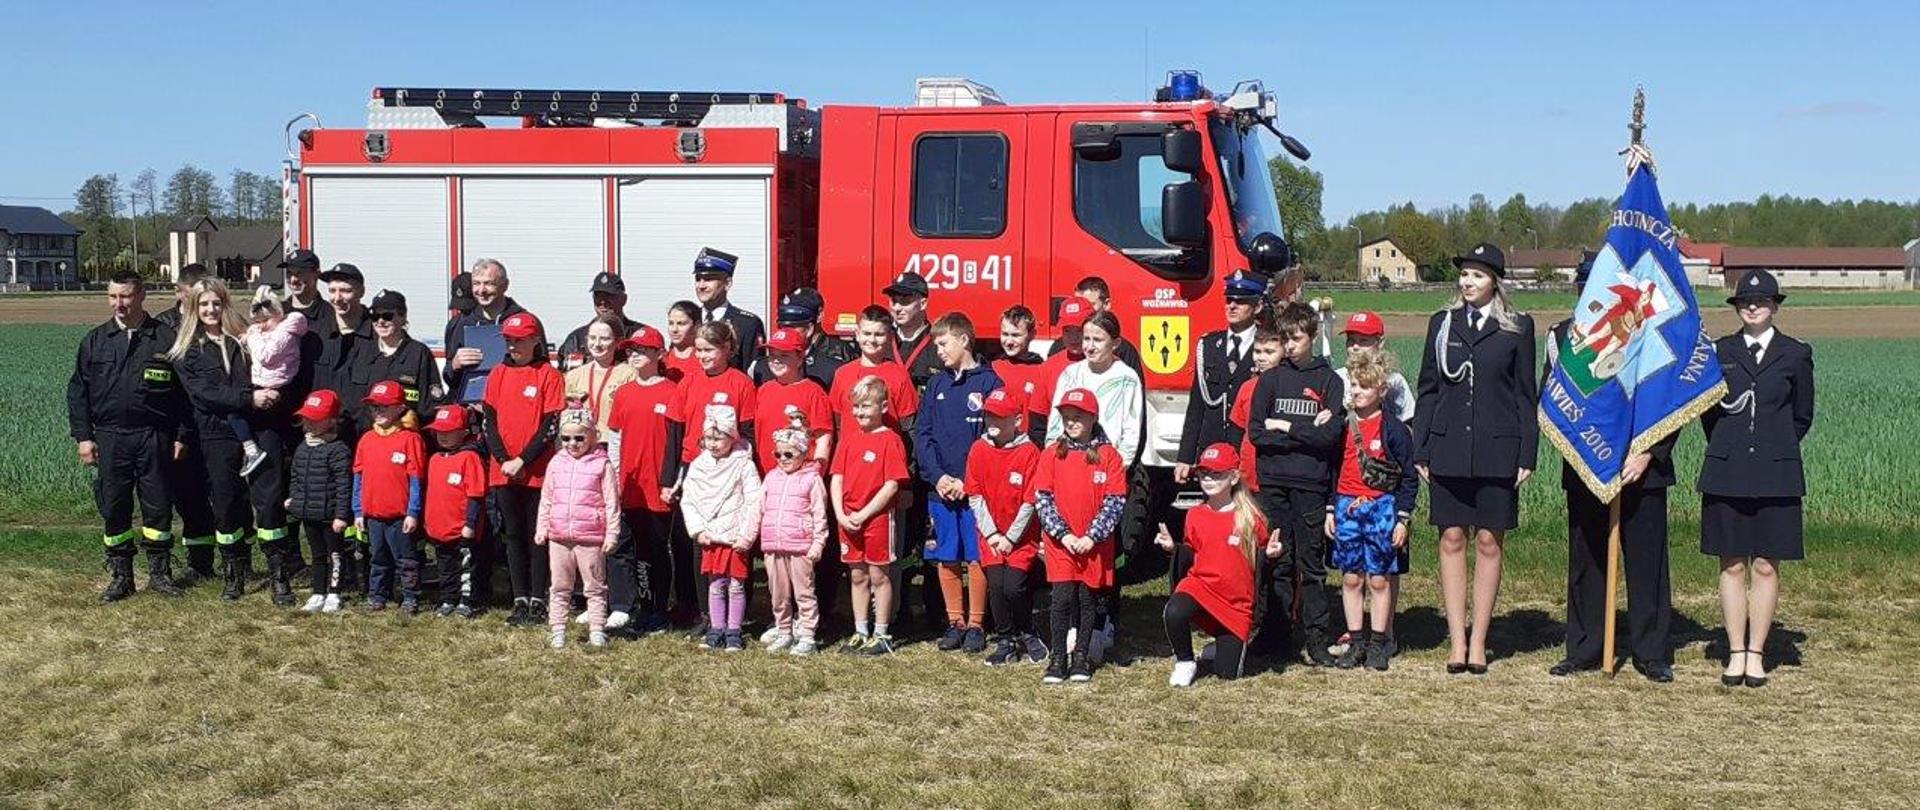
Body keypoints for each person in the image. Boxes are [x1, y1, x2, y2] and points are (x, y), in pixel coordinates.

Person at [1412, 242, 1538, 675]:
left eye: (1478, 275)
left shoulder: (1517, 327)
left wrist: (1528, 451)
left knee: (1488, 541)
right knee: (1450, 538)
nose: (1468, 282)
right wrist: (1421, 446)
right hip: (1447, 448)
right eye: (1465, 274)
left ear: (1495, 282)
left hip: (1497, 449)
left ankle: (1480, 641)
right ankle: (1457, 640)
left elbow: (1525, 395)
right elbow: (1428, 388)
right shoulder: (1441, 324)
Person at [1700, 269, 1814, 689]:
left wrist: (1769, 446)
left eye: (1762, 301)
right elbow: (1710, 414)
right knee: (1731, 563)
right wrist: (1734, 446)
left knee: (1766, 566)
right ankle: (1734, 651)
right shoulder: (1721, 351)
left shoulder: (1796, 354)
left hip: (1777, 473)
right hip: (1726, 470)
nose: (1752, 307)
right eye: (1745, 302)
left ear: (1775, 307)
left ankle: (1756, 653)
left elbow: (1801, 416)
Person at [67, 269, 187, 601]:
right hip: (110, 437)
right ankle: (121, 576)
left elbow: (184, 397)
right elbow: (78, 393)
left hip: (154, 436)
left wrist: (181, 435)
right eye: (113, 296)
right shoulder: (95, 340)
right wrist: (83, 437)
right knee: (115, 507)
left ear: (141, 296)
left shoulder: (165, 338)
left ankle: (161, 574)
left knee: (158, 507)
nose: (119, 304)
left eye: (126, 296)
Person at [1247, 302, 1345, 667]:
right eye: (1285, 338)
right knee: (1278, 561)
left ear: (1312, 336)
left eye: (1296, 338)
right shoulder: (1270, 380)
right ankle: (1275, 632)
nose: (1289, 346)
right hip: (1274, 482)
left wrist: (1286, 427)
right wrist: (1308, 433)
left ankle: (1317, 638)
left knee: (1311, 564)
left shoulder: (1329, 382)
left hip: (1311, 484)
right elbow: (1257, 433)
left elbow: (1329, 439)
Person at [170, 277, 280, 601]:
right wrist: (250, 400)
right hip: (215, 435)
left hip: (255, 429)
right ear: (194, 308)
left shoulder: (240, 341)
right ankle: (233, 574)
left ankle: (275, 572)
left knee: (264, 501)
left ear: (224, 304)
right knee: (226, 504)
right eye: (204, 304)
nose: (210, 309)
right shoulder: (188, 351)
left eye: (216, 303)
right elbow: (206, 395)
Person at [1045, 310, 1144, 663]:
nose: (1089, 346)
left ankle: (1103, 624)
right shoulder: (1071, 373)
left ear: (1114, 343)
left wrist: (1116, 468)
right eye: (1085, 338)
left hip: (1106, 476)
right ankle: (1070, 627)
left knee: (1101, 553)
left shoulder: (1127, 377)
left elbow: (1132, 430)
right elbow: (1056, 429)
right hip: (1068, 474)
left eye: (1097, 340)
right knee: (1068, 553)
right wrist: (1052, 466)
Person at [1331, 310, 1416, 660]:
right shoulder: (1336, 380)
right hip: (1346, 500)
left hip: (1382, 500)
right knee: (1351, 575)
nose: (1355, 347)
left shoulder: (1394, 384)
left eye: (1363, 340)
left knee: (1381, 574)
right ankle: (1356, 636)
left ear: (1379, 342)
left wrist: (1402, 513)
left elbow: (1405, 448)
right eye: (1351, 340)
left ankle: (1383, 635)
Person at [1155, 443, 1276, 686]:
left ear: (1233, 477)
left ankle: (1221, 644)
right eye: (1203, 473)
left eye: (1216, 473)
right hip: (1201, 587)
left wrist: (1271, 555)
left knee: (1227, 674)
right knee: (1175, 610)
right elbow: (1191, 554)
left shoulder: (1251, 517)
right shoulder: (1195, 514)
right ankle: (1185, 660)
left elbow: (1263, 562)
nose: (1208, 479)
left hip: (1236, 603)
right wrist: (1173, 549)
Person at [915, 313, 1001, 653]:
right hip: (941, 490)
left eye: (942, 343)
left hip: (975, 491)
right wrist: (938, 478)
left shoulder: (989, 383)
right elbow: (924, 435)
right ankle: (955, 622)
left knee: (977, 555)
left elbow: (993, 437)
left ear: (964, 340)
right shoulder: (937, 385)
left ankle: (977, 623)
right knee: (946, 555)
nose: (938, 351)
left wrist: (969, 482)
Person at [1032, 388, 1128, 684]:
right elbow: (1043, 498)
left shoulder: (1109, 456)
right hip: (1062, 543)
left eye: (1078, 417)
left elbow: (1115, 501)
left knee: (1088, 600)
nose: (1072, 422)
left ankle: (1081, 655)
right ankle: (1058, 657)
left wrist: (1092, 536)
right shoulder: (1051, 455)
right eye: (1067, 417)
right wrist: (1063, 535)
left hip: (1093, 545)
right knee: (1061, 599)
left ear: (1093, 418)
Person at [481, 311, 566, 626]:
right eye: (509, 340)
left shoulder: (548, 374)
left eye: (519, 340)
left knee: (537, 535)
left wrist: (523, 460)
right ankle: (519, 598)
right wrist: (504, 459)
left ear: (535, 340)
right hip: (502, 471)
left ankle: (538, 599)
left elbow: (550, 424)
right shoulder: (498, 374)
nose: (513, 346)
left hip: (537, 471)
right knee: (513, 534)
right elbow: (488, 421)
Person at [604, 327, 679, 633]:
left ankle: (658, 608)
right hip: (630, 485)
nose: (634, 354)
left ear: (659, 354)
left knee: (657, 549)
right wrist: (615, 478)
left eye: (642, 349)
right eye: (631, 349)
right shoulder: (623, 393)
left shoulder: (672, 391)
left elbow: (678, 441)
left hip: (659, 486)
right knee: (632, 547)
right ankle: (637, 606)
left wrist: (674, 481)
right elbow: (616, 439)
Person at [965, 388, 1047, 666]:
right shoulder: (978, 449)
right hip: (991, 535)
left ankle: (1027, 631)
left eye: (1000, 418)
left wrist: (1010, 537)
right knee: (997, 586)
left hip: (1020, 537)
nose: (993, 424)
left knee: (1014, 587)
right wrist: (992, 534)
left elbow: (1030, 500)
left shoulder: (1028, 452)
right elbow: (974, 495)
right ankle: (1005, 639)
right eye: (989, 417)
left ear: (1017, 421)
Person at [830, 376, 910, 656]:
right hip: (849, 519)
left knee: (879, 575)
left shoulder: (891, 440)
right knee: (857, 575)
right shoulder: (849, 440)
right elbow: (836, 479)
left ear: (883, 407)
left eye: (866, 407)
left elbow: (891, 485)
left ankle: (882, 632)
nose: (860, 413)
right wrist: (840, 513)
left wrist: (864, 513)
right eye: (856, 407)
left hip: (876, 519)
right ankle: (860, 630)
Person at [535, 409, 621, 649]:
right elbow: (547, 497)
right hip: (559, 535)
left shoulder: (602, 464)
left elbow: (612, 502)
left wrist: (612, 533)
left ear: (592, 436)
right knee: (559, 586)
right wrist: (542, 527)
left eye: (579, 438)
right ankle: (558, 629)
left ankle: (596, 629)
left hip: (591, 536)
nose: (572, 444)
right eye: (566, 438)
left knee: (594, 587)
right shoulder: (556, 462)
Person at [155, 263, 219, 578]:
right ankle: (200, 563)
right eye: (192, 295)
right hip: (180, 425)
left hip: (214, 423)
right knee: (188, 496)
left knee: (226, 495)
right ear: (179, 292)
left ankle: (240, 561)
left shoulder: (217, 321)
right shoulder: (163, 327)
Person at [682, 404, 763, 652]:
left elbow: (754, 501)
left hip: (735, 535)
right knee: (715, 584)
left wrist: (746, 536)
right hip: (711, 535)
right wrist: (698, 530)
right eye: (708, 438)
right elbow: (689, 499)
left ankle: (734, 630)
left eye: (719, 438)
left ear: (732, 437)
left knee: (736, 584)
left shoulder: (744, 465)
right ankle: (716, 627)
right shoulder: (698, 466)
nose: (714, 444)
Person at [1176, 272, 1268, 485]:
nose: (1232, 306)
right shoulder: (1208, 345)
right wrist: (1185, 456)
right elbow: (1197, 406)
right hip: (1212, 451)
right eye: (1229, 300)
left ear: (1258, 306)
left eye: (1241, 301)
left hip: (1250, 454)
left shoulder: (1268, 348)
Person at [353, 380, 427, 613]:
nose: (379, 412)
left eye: (384, 406)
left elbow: (416, 479)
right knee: (378, 558)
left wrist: (413, 512)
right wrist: (358, 510)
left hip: (399, 515)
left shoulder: (410, 439)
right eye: (375, 407)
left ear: (399, 408)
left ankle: (410, 597)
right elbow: (359, 477)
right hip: (374, 514)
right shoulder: (366, 440)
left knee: (406, 559)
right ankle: (377, 596)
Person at [758, 426, 829, 655]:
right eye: (778, 454)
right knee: (778, 592)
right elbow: (758, 509)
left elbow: (820, 513)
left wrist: (818, 543)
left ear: (802, 453)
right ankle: (784, 630)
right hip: (773, 545)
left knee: (804, 592)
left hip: (800, 546)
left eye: (788, 454)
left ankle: (807, 635)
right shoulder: (771, 477)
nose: (782, 459)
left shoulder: (812, 479)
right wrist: (750, 536)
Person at [286, 389, 353, 612]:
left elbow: (344, 485)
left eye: (316, 419)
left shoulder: (339, 450)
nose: (309, 423)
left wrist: (341, 515)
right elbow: (296, 477)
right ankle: (317, 592)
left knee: (335, 554)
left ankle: (334, 593)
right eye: (307, 418)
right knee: (317, 555)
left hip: (331, 515)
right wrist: (294, 500)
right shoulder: (302, 448)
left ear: (332, 421)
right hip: (309, 512)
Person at [233, 286, 309, 476]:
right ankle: (251, 450)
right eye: (258, 322)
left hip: (277, 385)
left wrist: (252, 336)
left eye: (266, 320)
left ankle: (252, 450)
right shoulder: (266, 331)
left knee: (238, 413)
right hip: (263, 383)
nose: (262, 325)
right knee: (235, 411)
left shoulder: (285, 332)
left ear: (278, 313)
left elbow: (266, 355)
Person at [423, 404, 488, 618]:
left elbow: (476, 495)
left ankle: (468, 601)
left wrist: (470, 524)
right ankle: (447, 599)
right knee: (445, 567)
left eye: (449, 432)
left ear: (463, 432)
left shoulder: (470, 458)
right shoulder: (434, 460)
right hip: (439, 528)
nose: (443, 437)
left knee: (466, 568)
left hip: (462, 529)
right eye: (439, 432)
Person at [345, 289, 440, 431]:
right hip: (365, 439)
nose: (380, 321)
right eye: (375, 316)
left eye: (387, 316)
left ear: (403, 317)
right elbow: (351, 401)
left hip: (403, 441)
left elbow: (429, 407)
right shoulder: (360, 351)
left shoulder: (418, 353)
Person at [444, 258, 535, 399]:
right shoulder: (462, 324)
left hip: (514, 403)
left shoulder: (525, 321)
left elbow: (542, 372)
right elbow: (450, 379)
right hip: (474, 410)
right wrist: (454, 365)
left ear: (505, 285)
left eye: (489, 284)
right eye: (476, 284)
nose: (481, 290)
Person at [753, 328, 834, 473]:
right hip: (766, 477)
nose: (776, 360)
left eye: (784, 355)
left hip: (799, 480)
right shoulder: (763, 390)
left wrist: (814, 475)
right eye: (772, 355)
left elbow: (824, 440)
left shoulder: (814, 393)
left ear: (800, 358)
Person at [752, 287, 854, 388]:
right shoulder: (762, 367)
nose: (788, 332)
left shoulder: (839, 359)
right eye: (783, 327)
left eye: (794, 326)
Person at [1044, 277, 1145, 375]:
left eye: (1090, 305)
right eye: (1079, 303)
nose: (1084, 310)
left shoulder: (1123, 350)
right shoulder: (1060, 347)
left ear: (1106, 304)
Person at [557, 271, 648, 371]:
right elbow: (564, 377)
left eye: (609, 296)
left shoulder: (642, 336)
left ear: (624, 299)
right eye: (598, 295)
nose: (602, 301)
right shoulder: (576, 339)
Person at [690, 248, 764, 371]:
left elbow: (752, 371)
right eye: (698, 278)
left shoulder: (747, 323)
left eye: (709, 279)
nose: (701, 285)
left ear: (727, 283)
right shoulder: (689, 319)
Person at [989, 304, 1052, 448]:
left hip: (1027, 447)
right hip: (995, 447)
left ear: (1032, 335)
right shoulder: (992, 368)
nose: (1009, 341)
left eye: (1016, 335)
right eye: (1005, 334)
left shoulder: (1041, 370)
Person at [562, 314, 636, 433]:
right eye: (592, 338)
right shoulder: (573, 376)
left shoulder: (629, 375)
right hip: (581, 445)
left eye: (604, 339)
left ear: (618, 341)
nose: (597, 344)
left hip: (613, 444)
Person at [312, 263, 373, 399]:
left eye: (345, 291)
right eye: (332, 291)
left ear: (361, 292)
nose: (337, 298)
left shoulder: (378, 337)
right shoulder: (315, 334)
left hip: (362, 420)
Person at [881, 272, 945, 387]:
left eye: (905, 301)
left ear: (923, 304)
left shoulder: (939, 345)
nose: (897, 308)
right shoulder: (882, 342)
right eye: (894, 301)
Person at [661, 300, 703, 383]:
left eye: (681, 324)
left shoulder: (704, 359)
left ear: (697, 326)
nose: (674, 329)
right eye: (671, 323)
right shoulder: (661, 360)